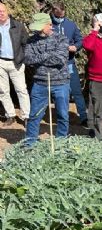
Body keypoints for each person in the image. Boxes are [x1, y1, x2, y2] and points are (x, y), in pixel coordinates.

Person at [23, 13, 70, 147]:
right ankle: (30, 144)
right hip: (40, 83)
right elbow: (28, 59)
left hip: (61, 82)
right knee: (34, 115)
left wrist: (40, 58)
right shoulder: (31, 40)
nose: (37, 30)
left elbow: (60, 60)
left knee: (62, 115)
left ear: (48, 25)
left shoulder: (61, 39)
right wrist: (49, 55)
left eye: (39, 27)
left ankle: (61, 143)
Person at [50, 2, 87, 126]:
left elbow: (80, 40)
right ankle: (62, 118)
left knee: (76, 91)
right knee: (59, 93)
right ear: (53, 13)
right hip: (55, 66)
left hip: (69, 64)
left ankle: (84, 117)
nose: (60, 19)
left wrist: (75, 47)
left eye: (62, 16)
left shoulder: (71, 25)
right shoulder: (48, 25)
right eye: (58, 16)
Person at [0, 2, 30, 127]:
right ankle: (10, 115)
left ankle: (26, 116)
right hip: (1, 62)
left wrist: (21, 58)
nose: (1, 14)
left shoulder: (18, 26)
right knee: (3, 91)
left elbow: (26, 44)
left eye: (3, 11)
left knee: (21, 90)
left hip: (16, 62)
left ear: (8, 11)